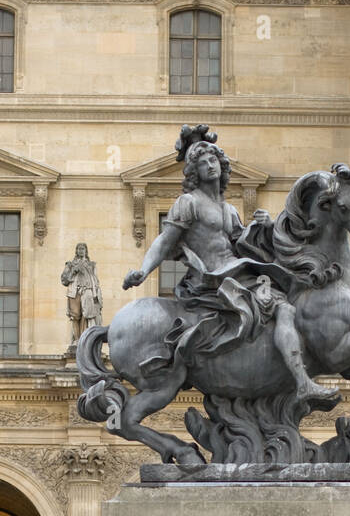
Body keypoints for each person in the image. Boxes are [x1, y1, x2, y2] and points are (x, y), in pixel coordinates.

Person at [122, 123, 337, 406]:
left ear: (222, 166)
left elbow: (243, 244)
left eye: (213, 160)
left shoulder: (229, 210)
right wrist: (144, 270)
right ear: (194, 173)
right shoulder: (189, 203)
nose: (210, 166)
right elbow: (164, 240)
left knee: (287, 295)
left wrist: (266, 226)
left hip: (237, 272)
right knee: (283, 308)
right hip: (213, 280)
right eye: (202, 163)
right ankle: (302, 382)